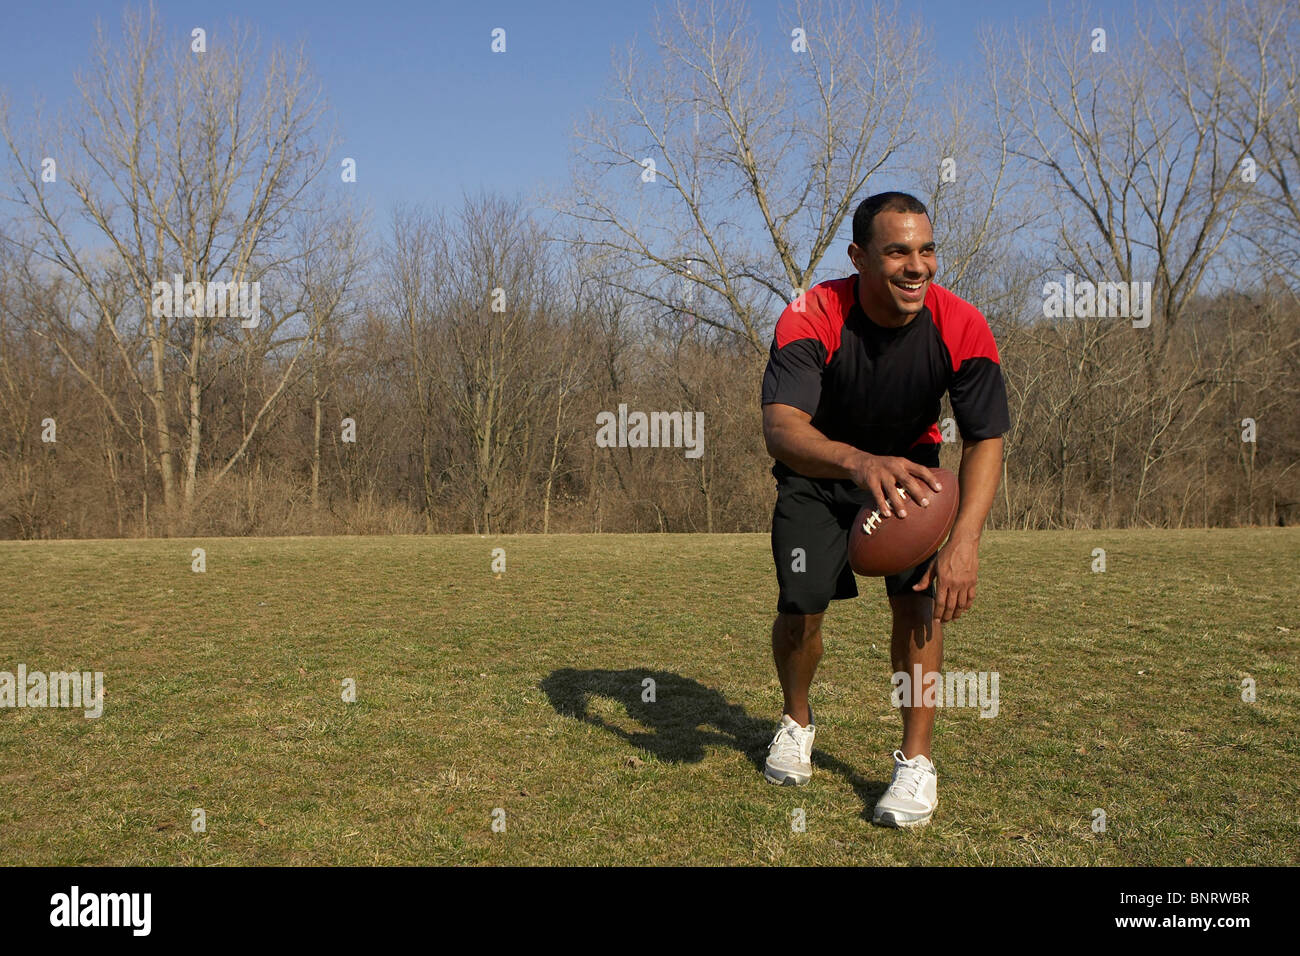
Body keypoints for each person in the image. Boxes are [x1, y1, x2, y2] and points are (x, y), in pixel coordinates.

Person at [759, 191, 1009, 827]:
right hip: (821, 474)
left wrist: (966, 541)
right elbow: (783, 427)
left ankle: (915, 764)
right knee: (802, 601)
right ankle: (796, 719)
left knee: (919, 604)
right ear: (859, 257)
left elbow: (985, 438)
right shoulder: (811, 312)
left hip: (912, 476)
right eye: (897, 251)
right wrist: (857, 462)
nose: (916, 266)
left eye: (926, 250)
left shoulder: (961, 323)